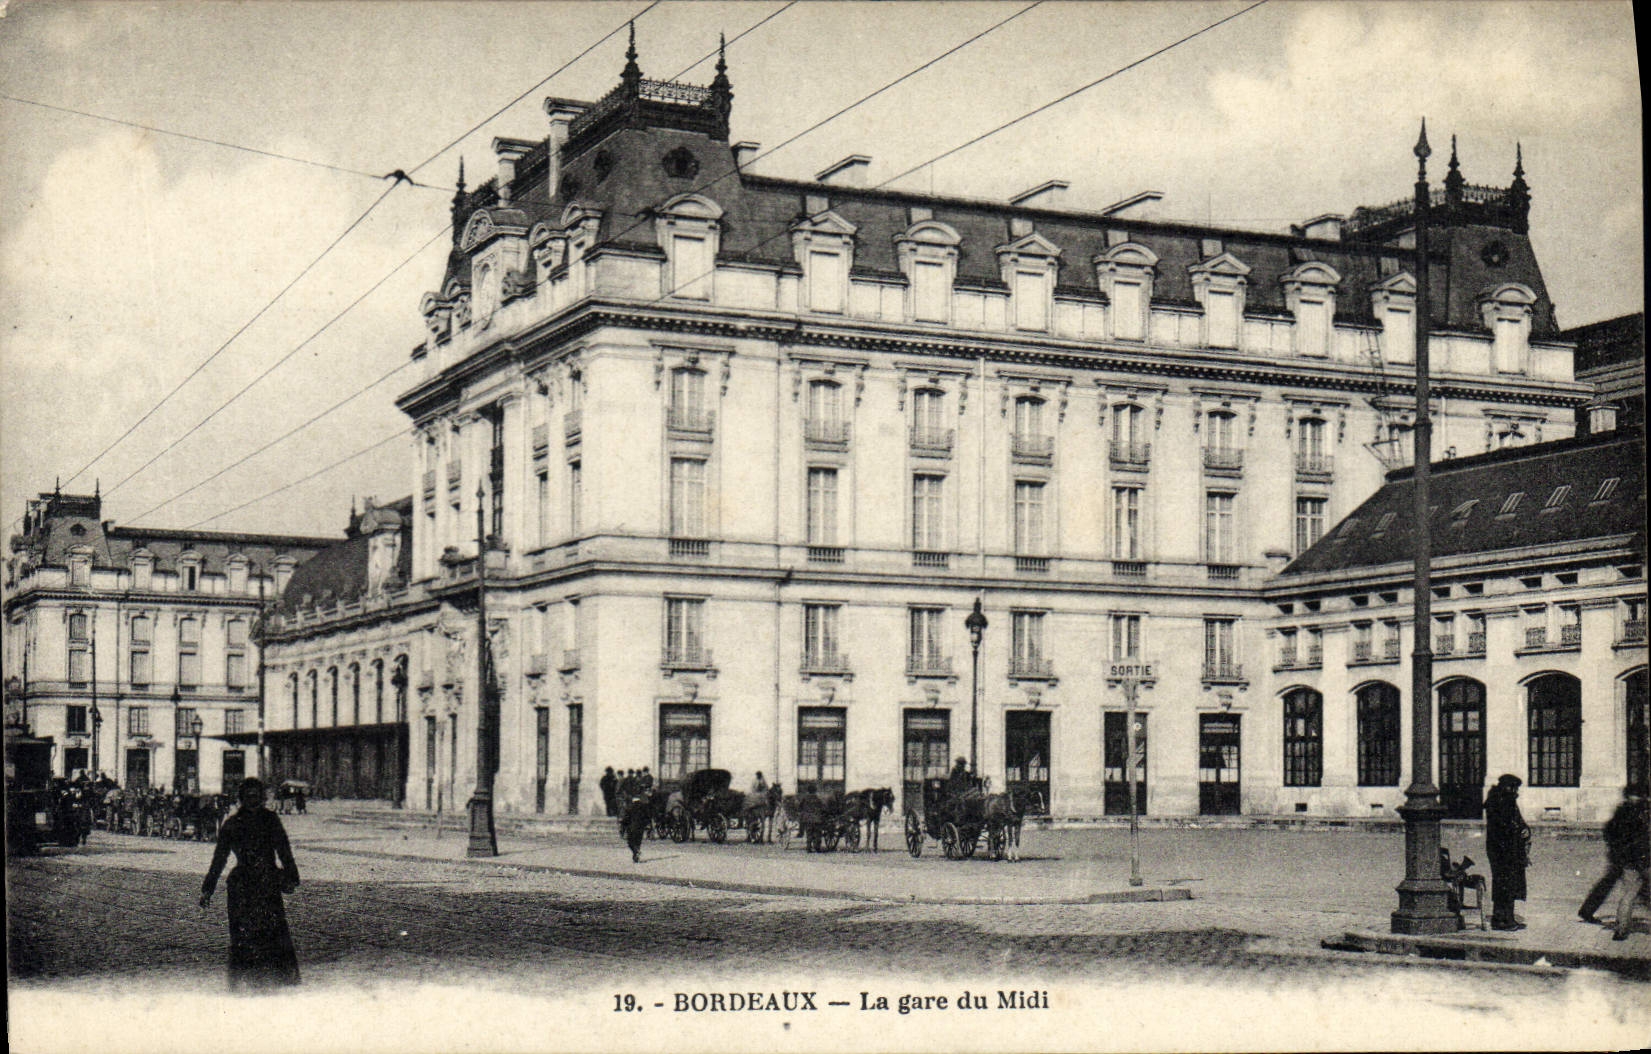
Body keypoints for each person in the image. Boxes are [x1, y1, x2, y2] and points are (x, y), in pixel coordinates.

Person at [199, 778, 301, 989]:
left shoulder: (266, 821)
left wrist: (292, 876)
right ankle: (252, 980)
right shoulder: (235, 824)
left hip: (261, 883)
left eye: (256, 797)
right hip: (248, 885)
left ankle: (264, 980)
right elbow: (219, 859)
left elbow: (284, 849)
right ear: (242, 799)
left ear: (261, 798)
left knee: (268, 932)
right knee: (247, 933)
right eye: (249, 797)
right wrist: (207, 889)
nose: (254, 801)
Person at [1579, 784, 1651, 927]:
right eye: (1636, 795)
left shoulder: (1632, 809)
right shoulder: (1629, 811)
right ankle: (1589, 911)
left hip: (1624, 855)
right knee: (1636, 887)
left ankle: (1588, 910)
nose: (1638, 798)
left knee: (1617, 884)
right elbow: (1611, 831)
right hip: (1627, 856)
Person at [1484, 773, 1531, 931]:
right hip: (1501, 850)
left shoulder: (1508, 801)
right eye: (1514, 787)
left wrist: (1525, 830)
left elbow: (1519, 821)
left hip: (1510, 850)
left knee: (1508, 884)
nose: (1515, 791)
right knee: (1504, 884)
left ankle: (1505, 918)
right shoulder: (1497, 803)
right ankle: (1502, 920)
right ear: (1506, 787)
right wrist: (1518, 831)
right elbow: (1503, 827)